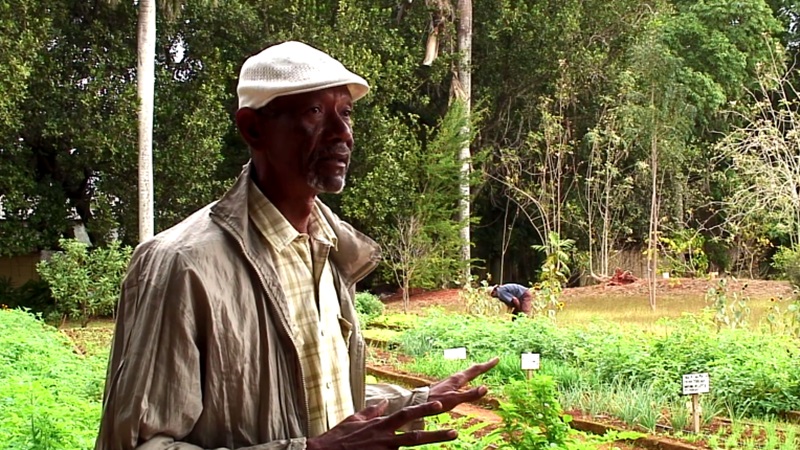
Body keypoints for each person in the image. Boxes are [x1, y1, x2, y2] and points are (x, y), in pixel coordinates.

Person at [95, 41, 498, 450]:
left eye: (346, 113)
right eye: (315, 112)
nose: (343, 134)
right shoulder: (181, 265)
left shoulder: (329, 250)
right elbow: (139, 443)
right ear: (253, 128)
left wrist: (415, 401)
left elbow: (318, 402)